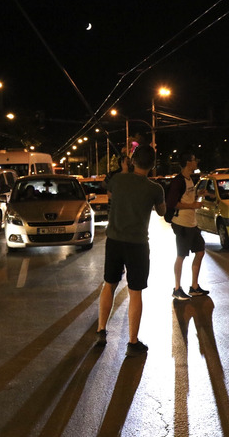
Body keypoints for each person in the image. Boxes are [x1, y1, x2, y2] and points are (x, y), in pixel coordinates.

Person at [97, 145, 167, 356]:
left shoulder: (118, 179)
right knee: (135, 292)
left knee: (109, 284)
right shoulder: (155, 188)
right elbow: (162, 212)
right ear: (153, 164)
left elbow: (106, 186)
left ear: (132, 161)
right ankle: (132, 342)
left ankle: (101, 330)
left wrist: (123, 170)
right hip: (137, 245)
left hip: (114, 241)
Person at [165, 151, 208, 300]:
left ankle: (194, 287)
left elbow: (188, 197)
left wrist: (199, 194)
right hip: (181, 224)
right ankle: (177, 288)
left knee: (200, 251)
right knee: (181, 256)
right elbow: (172, 204)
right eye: (194, 159)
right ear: (188, 163)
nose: (196, 162)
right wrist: (192, 205)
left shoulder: (190, 179)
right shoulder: (178, 181)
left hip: (192, 223)